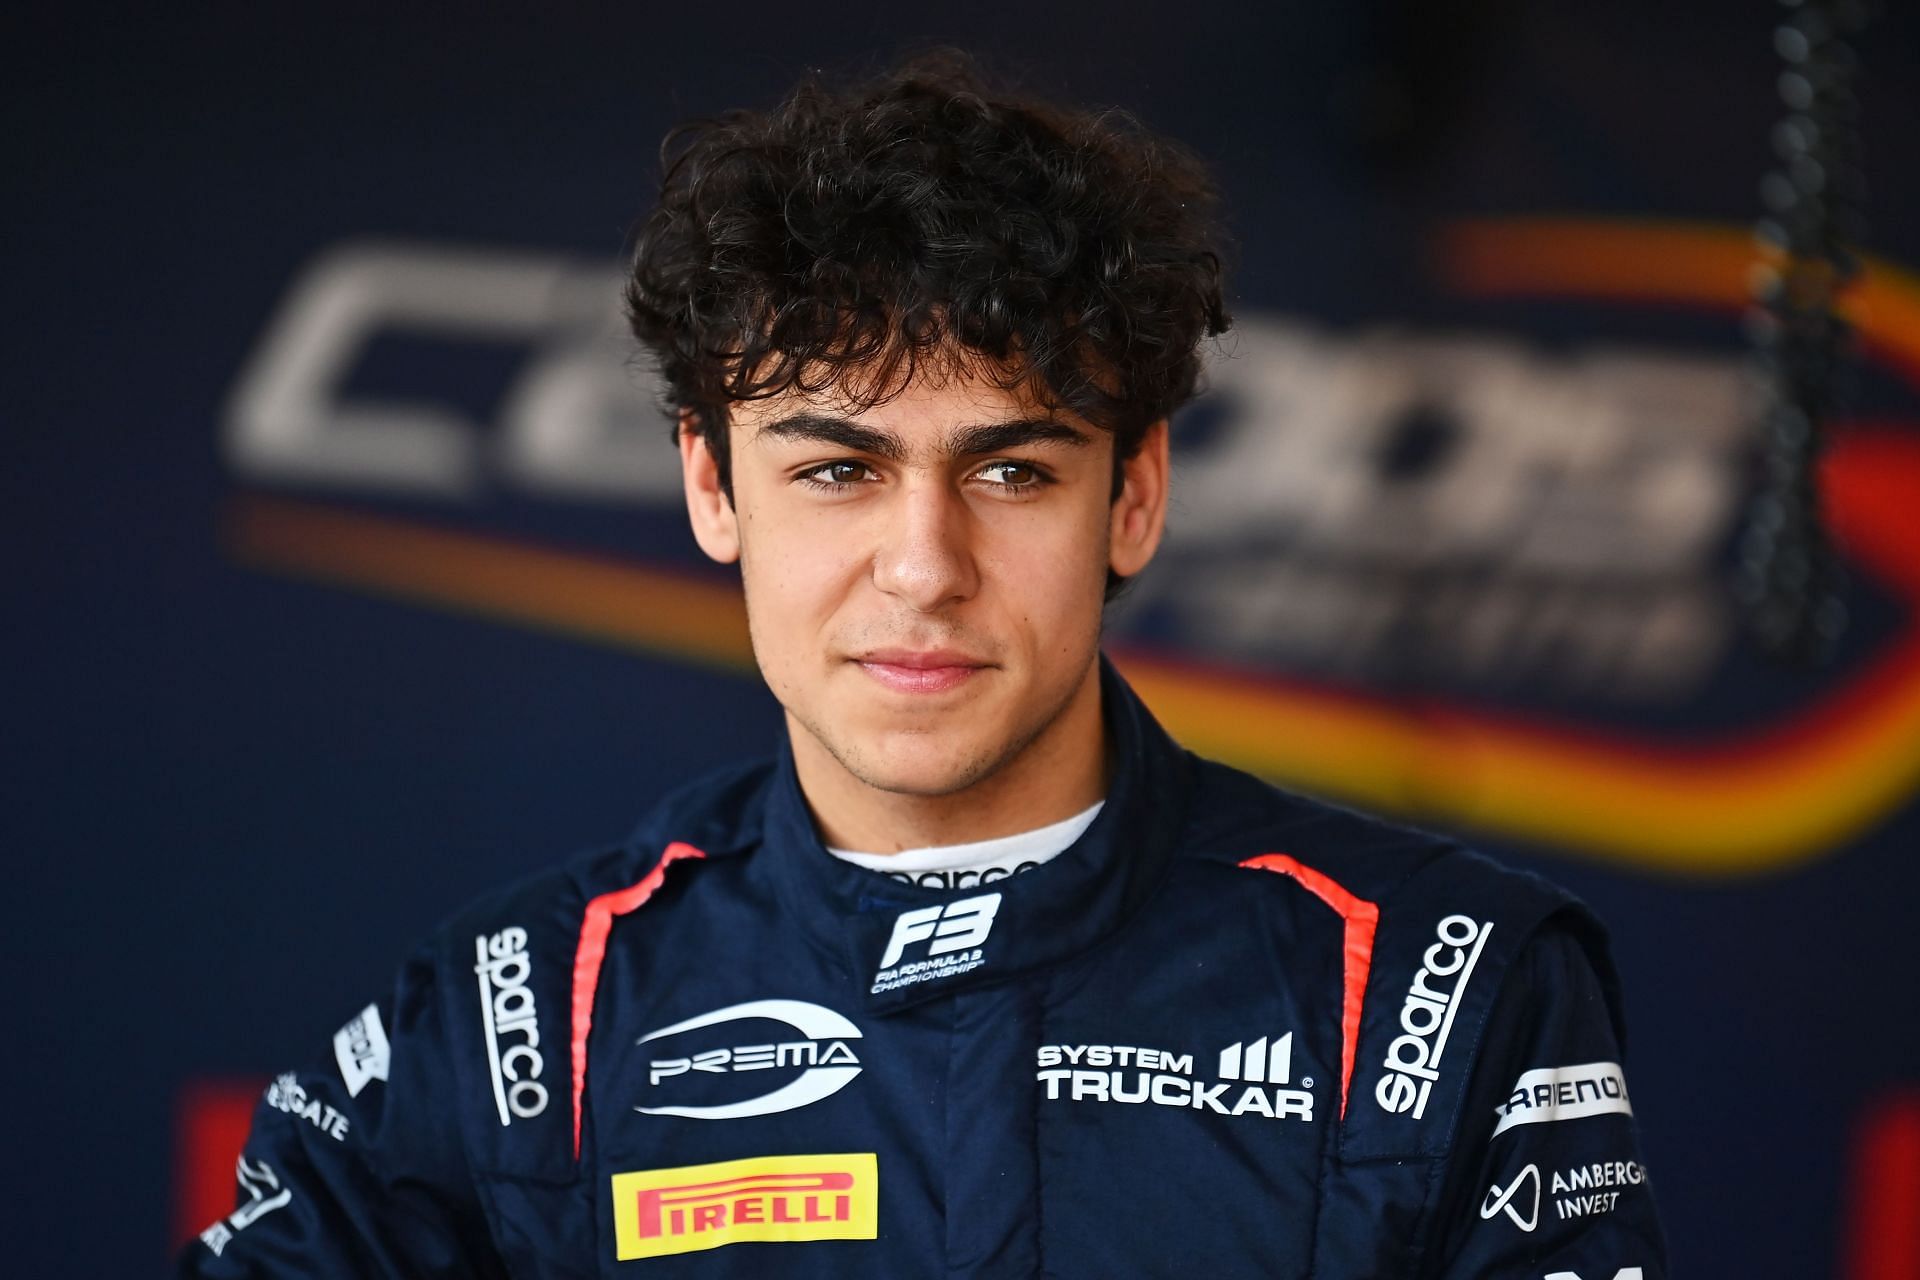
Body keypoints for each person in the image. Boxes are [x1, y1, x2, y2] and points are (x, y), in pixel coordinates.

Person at [180, 49, 1668, 1278]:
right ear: (712, 487)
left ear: (1134, 495)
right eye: (837, 470)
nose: (924, 565)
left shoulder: (1442, 987)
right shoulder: (515, 1019)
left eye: (1012, 472)